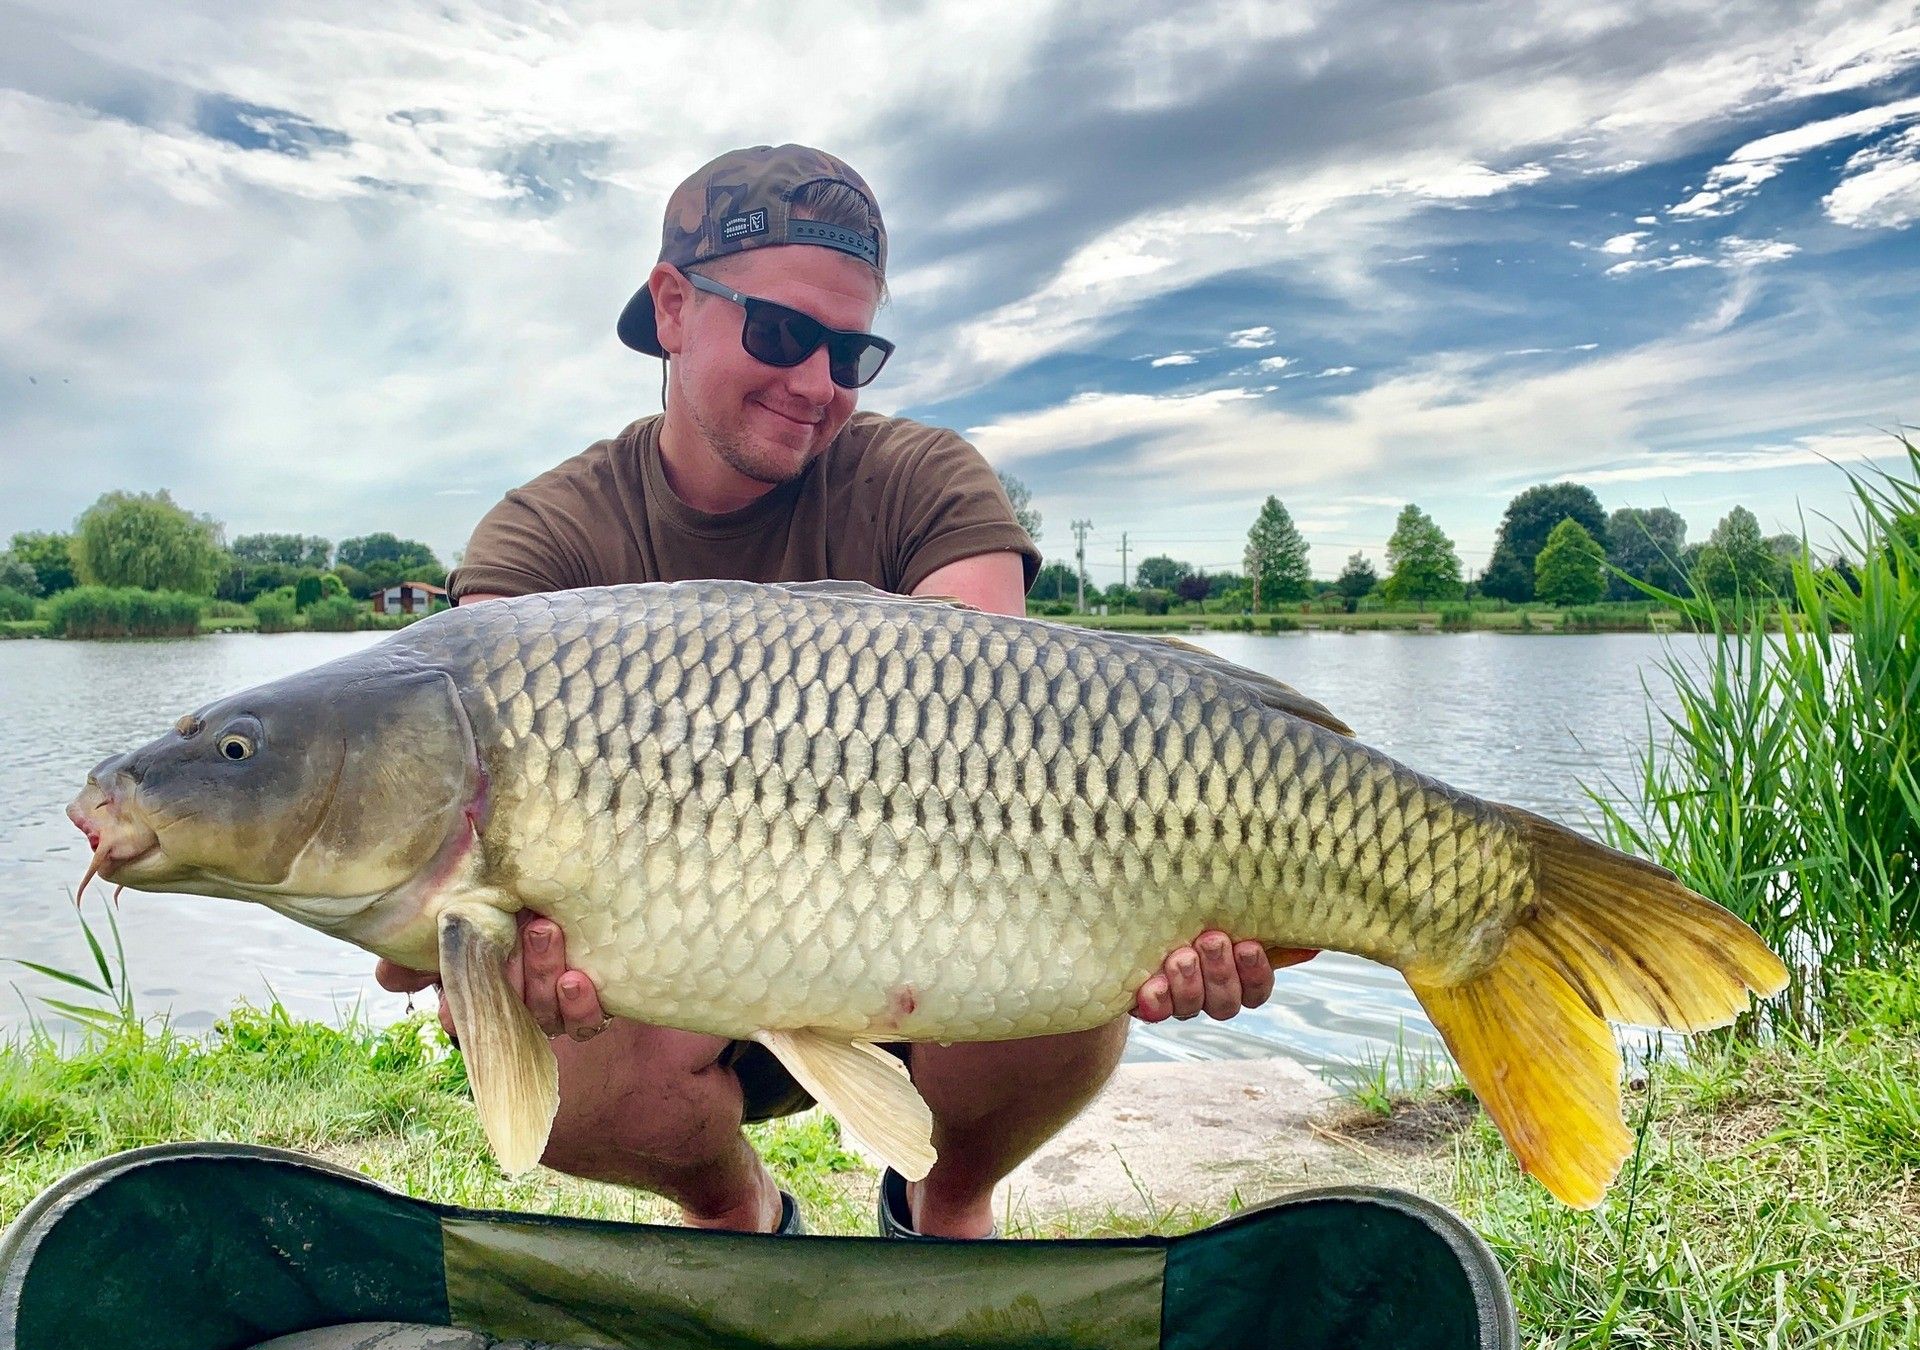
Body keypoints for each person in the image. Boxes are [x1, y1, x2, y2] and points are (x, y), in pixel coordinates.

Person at [375, 144, 1316, 1237]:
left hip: (922, 964)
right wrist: (445, 943)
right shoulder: (544, 540)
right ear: (672, 307)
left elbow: (1023, 758)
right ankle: (733, 1208)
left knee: (1080, 923)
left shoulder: (927, 482)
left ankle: (946, 1199)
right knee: (513, 1008)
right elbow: (421, 850)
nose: (817, 383)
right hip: (652, 999)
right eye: (780, 333)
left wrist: (1191, 906)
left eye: (851, 350)